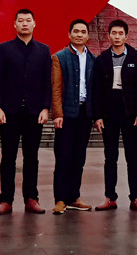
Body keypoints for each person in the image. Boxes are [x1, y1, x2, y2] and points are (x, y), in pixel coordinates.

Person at [0, 8, 52, 215]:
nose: (24, 24)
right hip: (9, 112)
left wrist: (46, 107)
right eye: (21, 20)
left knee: (31, 157)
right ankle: (5, 200)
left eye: (28, 20)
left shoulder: (43, 50)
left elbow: (47, 82)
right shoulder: (5, 49)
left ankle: (31, 198)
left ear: (34, 23)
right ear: (14, 24)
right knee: (8, 156)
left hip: (34, 112)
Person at [91, 19, 137, 212]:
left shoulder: (135, 57)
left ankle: (136, 197)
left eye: (120, 33)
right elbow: (97, 89)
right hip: (109, 111)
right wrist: (98, 116)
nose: (117, 37)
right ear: (109, 35)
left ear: (126, 36)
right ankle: (110, 197)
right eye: (114, 33)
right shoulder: (102, 59)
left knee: (133, 157)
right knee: (110, 157)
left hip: (130, 112)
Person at [51, 19, 96, 215]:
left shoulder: (93, 59)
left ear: (88, 36)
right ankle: (60, 199)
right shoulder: (59, 57)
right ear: (69, 34)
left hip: (85, 114)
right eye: (76, 31)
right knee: (63, 157)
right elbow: (56, 88)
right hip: (67, 114)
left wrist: (96, 115)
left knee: (79, 157)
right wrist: (57, 114)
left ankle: (73, 197)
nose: (79, 34)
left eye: (83, 31)